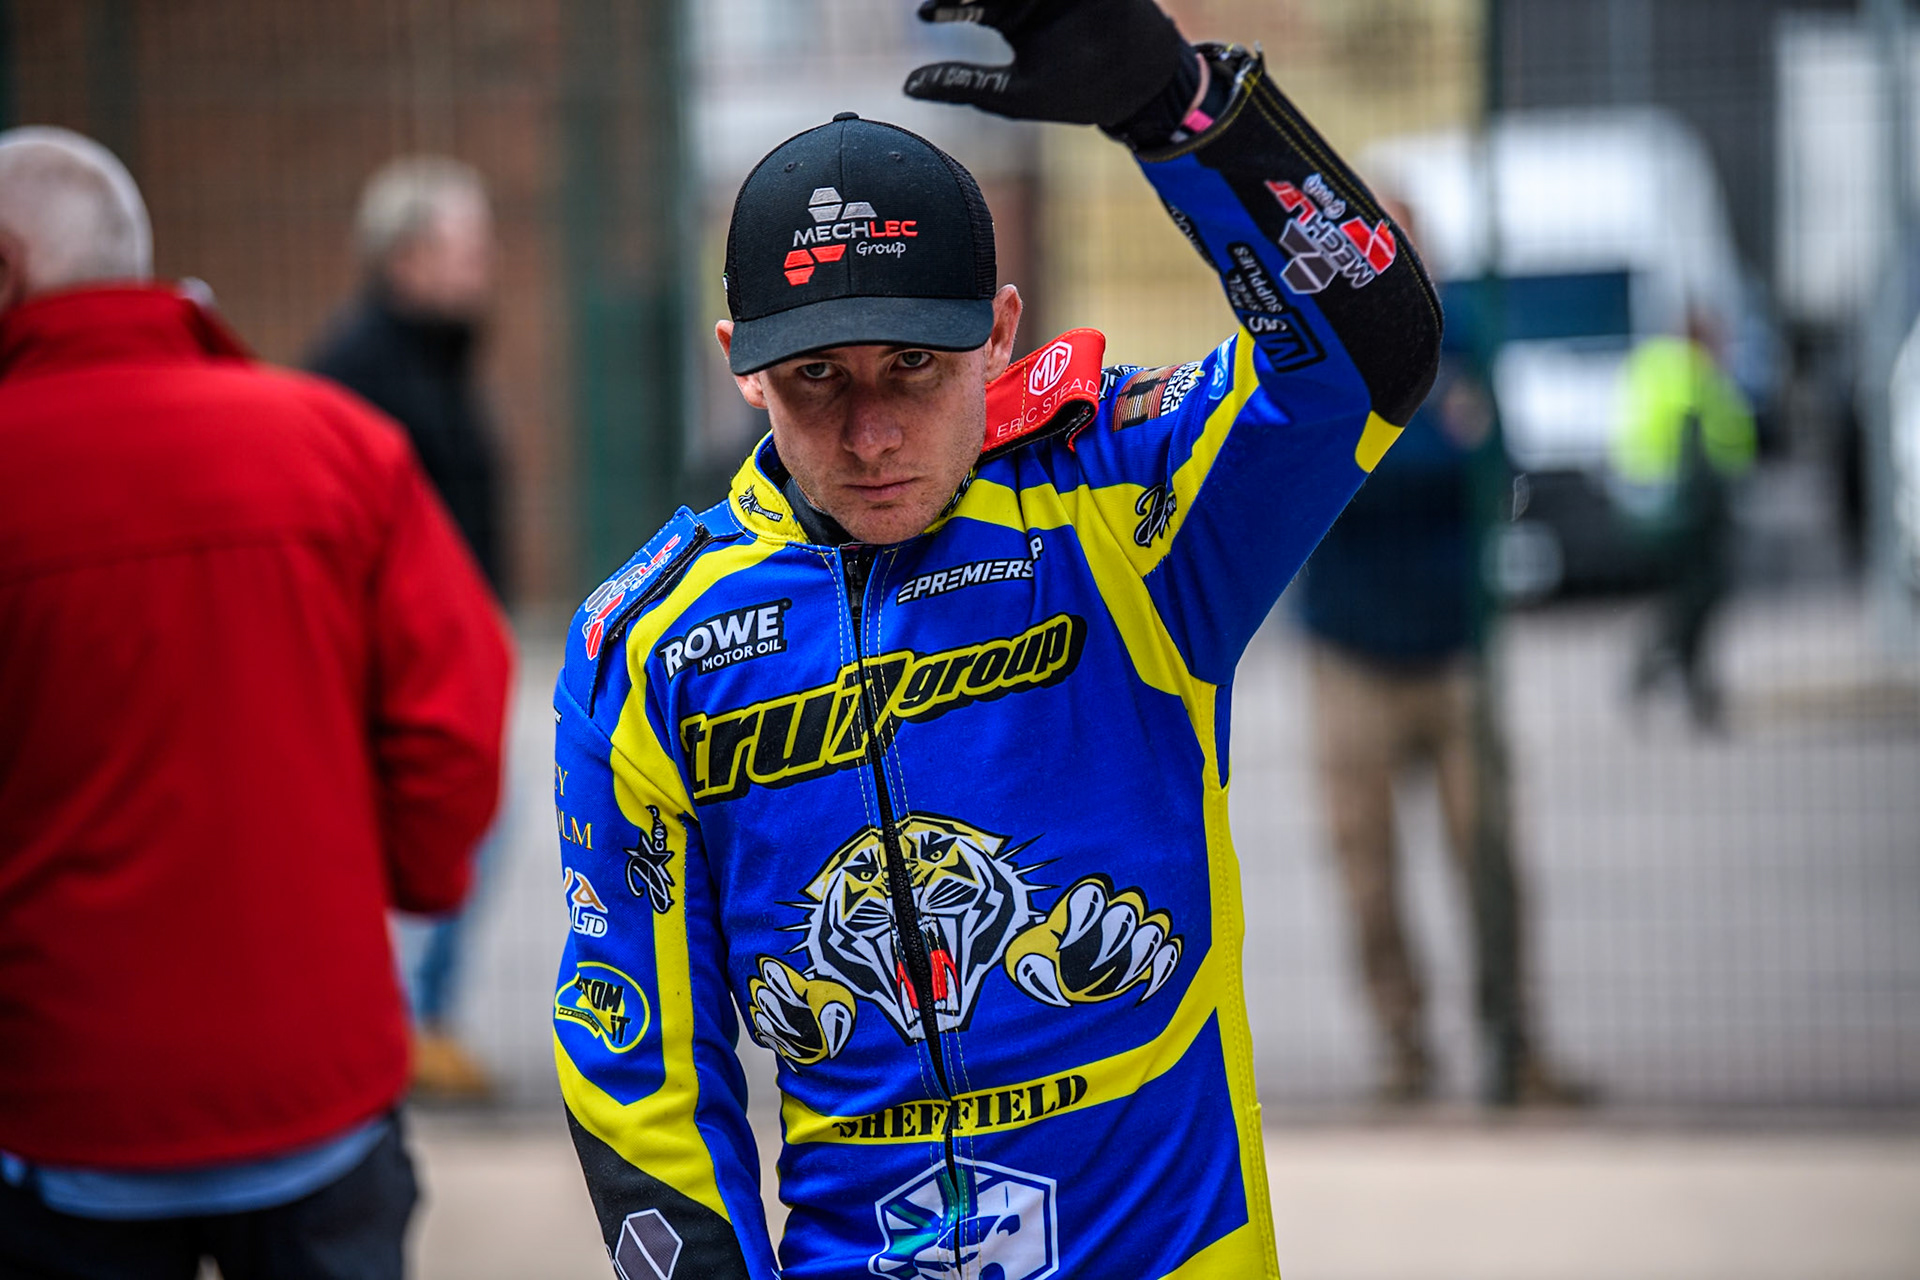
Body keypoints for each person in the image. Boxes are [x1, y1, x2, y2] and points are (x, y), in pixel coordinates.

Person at [551, 2, 1440, 1276]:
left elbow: (1372, 349)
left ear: (1002, 328)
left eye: (915, 362)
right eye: (818, 376)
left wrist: (1183, 112)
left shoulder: (1125, 507)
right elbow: (635, 1067)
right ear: (739, 361)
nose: (870, 432)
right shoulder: (646, 644)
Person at [0, 127, 511, 1278]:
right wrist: (405, 883)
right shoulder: (334, 446)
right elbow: (453, 715)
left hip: (57, 1117)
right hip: (318, 1102)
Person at [1297, 203, 1586, 1107]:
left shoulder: (1463, 328)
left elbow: (1499, 463)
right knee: (1366, 868)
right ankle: (1402, 1047)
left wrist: (1399, 451)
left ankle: (1515, 1045)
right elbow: (1329, 481)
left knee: (1490, 852)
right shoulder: (1318, 338)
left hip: (1459, 648)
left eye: (1401, 243)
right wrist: (1430, 439)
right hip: (1349, 654)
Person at [308, 156, 509, 1097]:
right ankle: (404, 1023)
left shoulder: (441, 353)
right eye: (465, 246)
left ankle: (419, 1019)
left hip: (456, 644)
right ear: (407, 257)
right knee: (452, 823)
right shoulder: (360, 369)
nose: (485, 264)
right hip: (403, 660)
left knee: (476, 824)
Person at [1612, 309, 1756, 729]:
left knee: (1689, 599)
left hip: (1646, 507)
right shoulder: (1700, 377)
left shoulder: (1651, 364)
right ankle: (1677, 675)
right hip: (1685, 511)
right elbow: (1726, 445)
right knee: (1698, 597)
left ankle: (1673, 672)